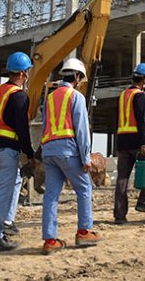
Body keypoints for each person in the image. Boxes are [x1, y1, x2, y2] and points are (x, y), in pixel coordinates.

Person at [39, 58, 102, 255]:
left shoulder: (49, 98)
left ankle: (50, 240)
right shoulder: (76, 97)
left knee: (50, 195)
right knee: (84, 188)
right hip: (67, 149)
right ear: (76, 76)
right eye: (80, 78)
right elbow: (82, 130)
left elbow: (44, 126)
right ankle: (84, 232)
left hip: (48, 149)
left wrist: (43, 151)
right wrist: (85, 158)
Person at [0, 51, 35, 252]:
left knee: (15, 181)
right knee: (4, 192)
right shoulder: (19, 96)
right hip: (6, 148)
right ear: (22, 74)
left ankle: (7, 223)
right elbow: (22, 128)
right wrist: (29, 153)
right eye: (28, 71)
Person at [113, 62, 145, 224]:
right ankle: (144, 201)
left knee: (122, 178)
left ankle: (119, 216)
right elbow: (141, 121)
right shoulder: (140, 95)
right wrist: (144, 142)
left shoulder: (123, 95)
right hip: (137, 140)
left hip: (122, 141)